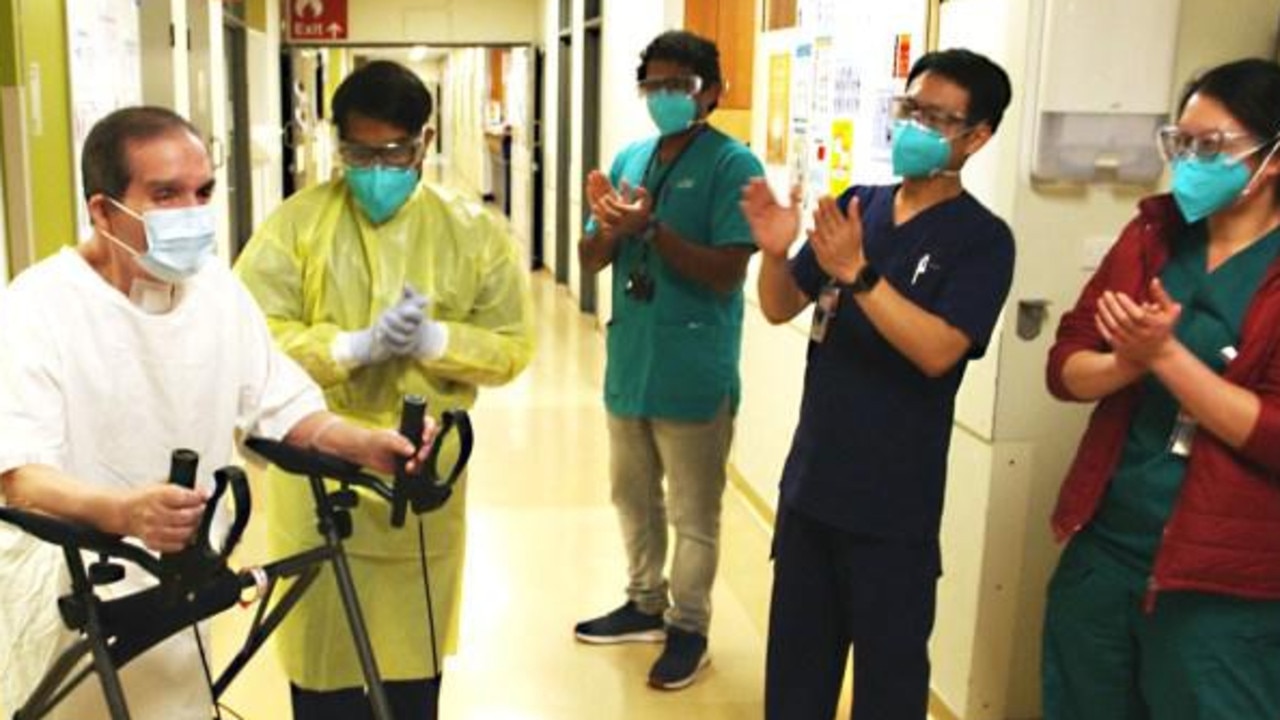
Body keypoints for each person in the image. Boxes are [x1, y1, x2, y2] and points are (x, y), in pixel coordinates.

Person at [0, 106, 435, 720]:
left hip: (180, 571)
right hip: (71, 584)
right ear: (102, 211)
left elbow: (282, 406)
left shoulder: (216, 291)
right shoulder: (38, 306)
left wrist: (366, 444)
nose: (193, 213)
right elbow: (19, 475)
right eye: (166, 194)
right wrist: (123, 512)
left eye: (202, 191)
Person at [233, 59, 534, 720]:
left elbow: (513, 346)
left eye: (393, 151)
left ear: (424, 142)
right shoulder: (296, 226)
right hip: (318, 470)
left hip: (421, 470)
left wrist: (438, 343)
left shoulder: (471, 231)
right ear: (334, 143)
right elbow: (247, 343)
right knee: (324, 664)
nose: (376, 167)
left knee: (410, 666)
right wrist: (349, 347)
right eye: (359, 152)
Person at [742, 48, 1014, 719]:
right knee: (795, 685)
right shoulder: (859, 204)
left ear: (977, 137)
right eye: (909, 109)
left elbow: (937, 351)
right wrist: (776, 251)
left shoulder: (982, 241)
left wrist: (862, 275)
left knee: (888, 693)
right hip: (811, 493)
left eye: (936, 117)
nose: (914, 126)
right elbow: (780, 307)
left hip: (892, 514)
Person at [1043, 58, 1280, 720]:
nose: (1191, 163)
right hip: (1109, 543)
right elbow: (1066, 365)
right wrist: (1127, 364)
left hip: (1222, 584)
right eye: (1182, 143)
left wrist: (1167, 357)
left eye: (1213, 147)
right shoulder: (1152, 235)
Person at [572, 30, 764, 691]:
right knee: (631, 496)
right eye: (653, 85)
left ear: (711, 91)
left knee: (693, 511)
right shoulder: (631, 155)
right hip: (632, 359)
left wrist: (651, 229)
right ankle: (643, 603)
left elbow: (726, 274)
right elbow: (591, 258)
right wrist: (603, 228)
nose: (664, 97)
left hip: (693, 367)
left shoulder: (733, 166)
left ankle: (690, 629)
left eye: (678, 85)